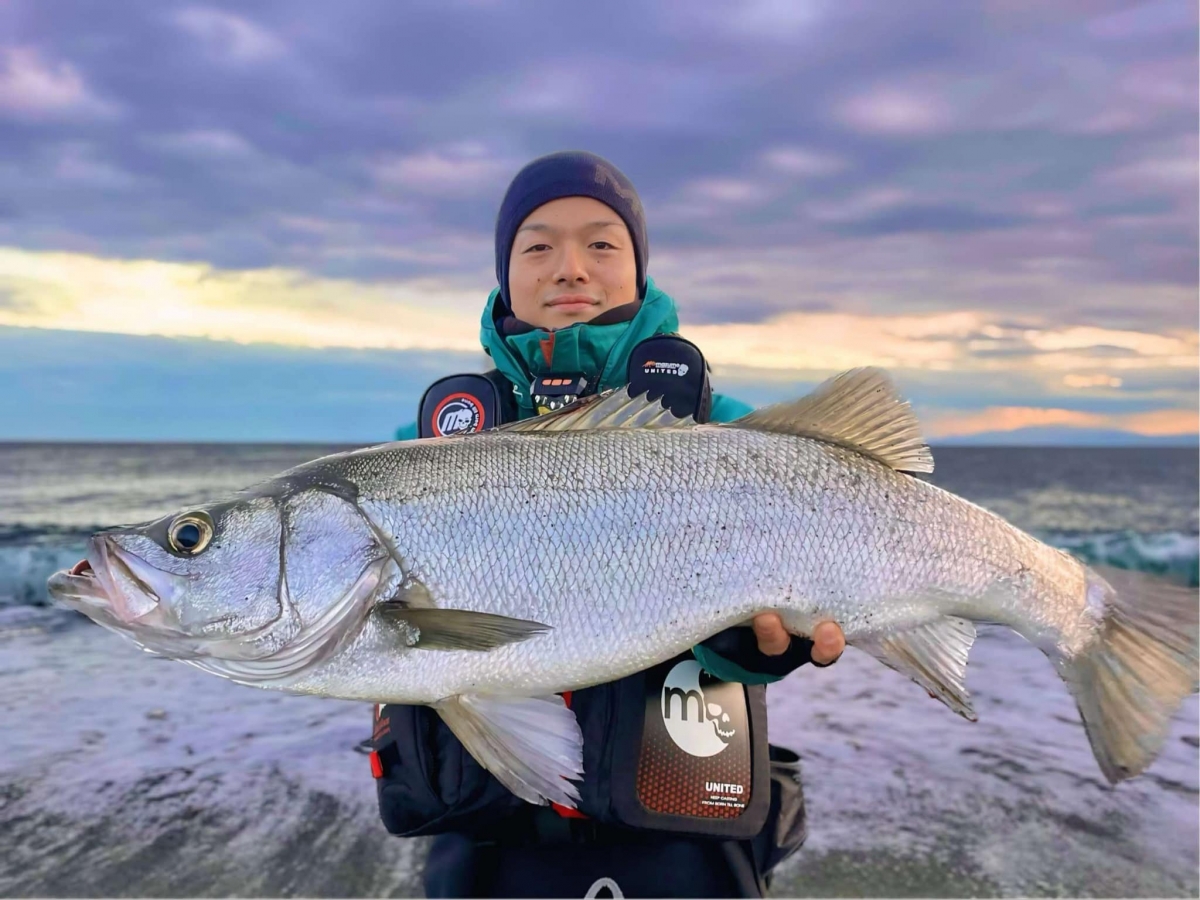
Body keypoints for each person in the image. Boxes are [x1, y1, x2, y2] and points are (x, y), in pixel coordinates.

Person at [371, 151, 845, 898]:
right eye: (537, 245)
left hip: (681, 836)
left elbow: (780, 603)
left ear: (637, 268)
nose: (569, 268)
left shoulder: (721, 431)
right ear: (504, 271)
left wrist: (756, 650)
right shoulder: (427, 445)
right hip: (493, 841)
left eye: (601, 244)